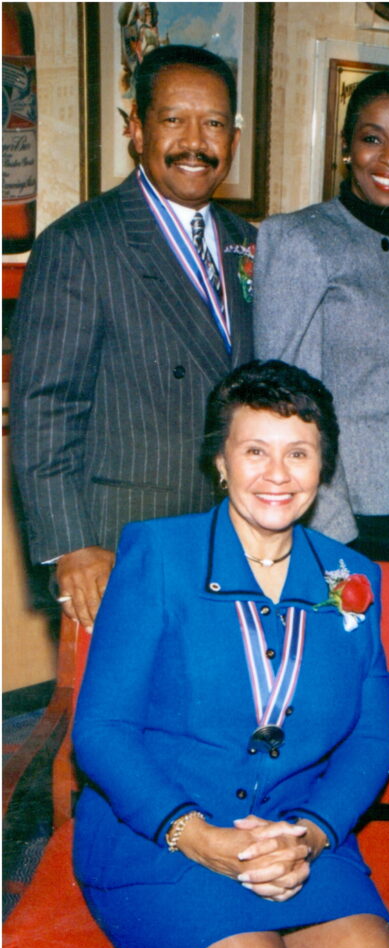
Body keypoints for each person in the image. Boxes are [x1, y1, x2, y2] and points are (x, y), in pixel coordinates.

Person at [72, 359, 389, 948]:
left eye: (298, 453)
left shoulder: (352, 576)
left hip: (297, 836)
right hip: (162, 838)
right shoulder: (161, 555)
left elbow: (374, 739)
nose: (278, 474)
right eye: (255, 451)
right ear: (220, 462)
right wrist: (198, 837)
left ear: (323, 466)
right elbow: (101, 730)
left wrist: (310, 835)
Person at [11, 44, 258, 630]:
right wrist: (70, 547)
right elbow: (45, 408)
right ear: (137, 130)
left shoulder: (249, 243)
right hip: (121, 544)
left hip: (233, 537)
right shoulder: (80, 243)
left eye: (215, 123)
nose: (196, 141)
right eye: (174, 119)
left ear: (234, 139)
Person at [254, 71, 389, 562]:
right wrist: (334, 529)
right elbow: (285, 404)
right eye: (371, 139)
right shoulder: (302, 238)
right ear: (346, 148)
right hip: (350, 515)